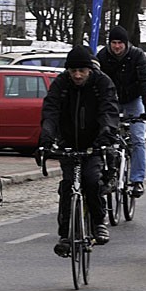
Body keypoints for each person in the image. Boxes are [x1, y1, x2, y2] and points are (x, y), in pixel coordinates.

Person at [39, 45, 119, 256]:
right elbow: (51, 110)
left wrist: (106, 134)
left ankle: (99, 222)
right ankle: (65, 235)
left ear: (89, 70)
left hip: (94, 143)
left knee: (92, 180)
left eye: (81, 71)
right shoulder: (61, 84)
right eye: (73, 71)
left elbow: (108, 110)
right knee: (67, 186)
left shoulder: (102, 83)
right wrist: (46, 137)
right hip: (68, 143)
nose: (77, 75)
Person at [96, 25, 146, 197]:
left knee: (137, 139)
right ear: (109, 43)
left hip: (133, 99)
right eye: (114, 42)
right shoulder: (102, 57)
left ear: (126, 43)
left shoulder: (137, 56)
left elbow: (145, 82)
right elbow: (97, 84)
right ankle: (109, 175)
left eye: (120, 42)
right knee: (106, 138)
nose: (117, 46)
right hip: (111, 101)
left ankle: (137, 180)